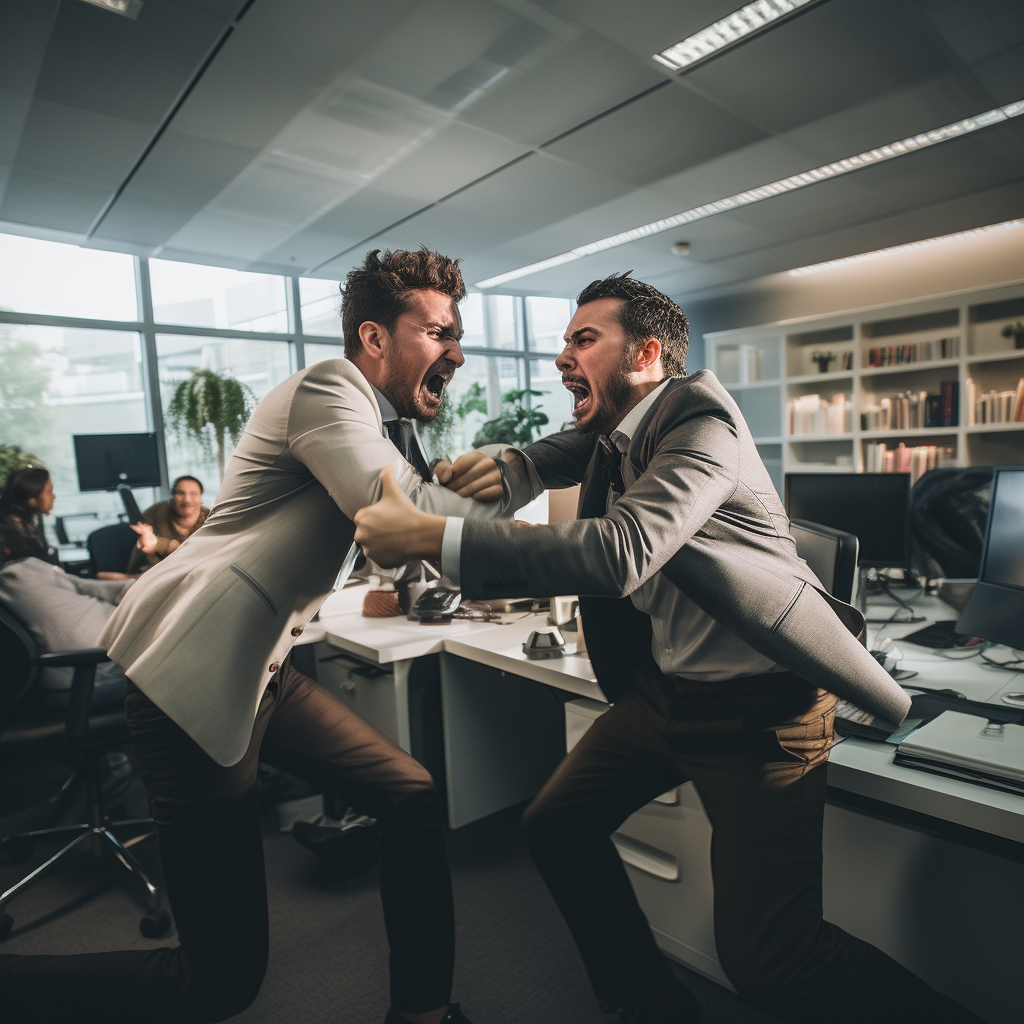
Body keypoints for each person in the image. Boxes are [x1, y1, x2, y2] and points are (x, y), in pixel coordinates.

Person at [352, 274, 985, 1024]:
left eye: (584, 340)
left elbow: (623, 552)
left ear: (648, 353)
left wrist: (439, 536)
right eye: (565, 340)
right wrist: (512, 468)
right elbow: (563, 450)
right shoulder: (617, 431)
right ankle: (647, 1002)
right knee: (554, 824)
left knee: (772, 960)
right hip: (667, 696)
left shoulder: (703, 424)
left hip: (760, 716)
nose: (562, 357)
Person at [0, 247, 510, 1024]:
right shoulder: (330, 388)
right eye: (439, 330)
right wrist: (565, 510)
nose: (458, 350)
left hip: (262, 673)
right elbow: (401, 514)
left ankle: (423, 1013)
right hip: (190, 675)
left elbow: (390, 539)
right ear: (375, 339)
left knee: (409, 794)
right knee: (217, 982)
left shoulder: (381, 424)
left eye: (458, 331)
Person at [0, 519, 131, 709]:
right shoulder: (18, 573)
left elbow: (79, 585)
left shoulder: (19, 573)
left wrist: (129, 585)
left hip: (89, 667)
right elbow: (81, 584)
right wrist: (134, 584)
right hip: (94, 674)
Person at [126, 475, 209, 574]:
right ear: (172, 497)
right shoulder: (154, 513)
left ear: (201, 499)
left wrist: (160, 544)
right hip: (156, 574)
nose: (187, 500)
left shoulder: (211, 518)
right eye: (180, 493)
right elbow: (145, 558)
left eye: (194, 494)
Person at [0, 466, 59, 565]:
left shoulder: (31, 522)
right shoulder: (9, 530)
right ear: (31, 497)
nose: (54, 496)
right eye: (49, 492)